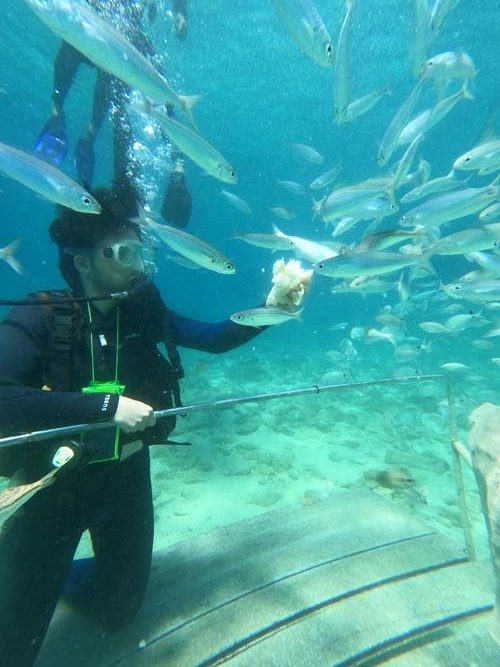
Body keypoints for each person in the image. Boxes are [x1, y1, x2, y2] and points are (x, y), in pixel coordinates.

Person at [0, 184, 310, 667]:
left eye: (141, 253)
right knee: (14, 645)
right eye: (123, 253)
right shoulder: (41, 315)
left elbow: (212, 338)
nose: (138, 266)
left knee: (118, 608)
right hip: (52, 485)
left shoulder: (142, 311)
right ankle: (26, 576)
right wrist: (106, 407)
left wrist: (271, 309)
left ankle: (51, 577)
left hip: (125, 479)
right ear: (83, 262)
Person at [35, 0, 192, 228]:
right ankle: (61, 113)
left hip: (125, 33)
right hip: (91, 20)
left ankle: (89, 133)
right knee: (77, 53)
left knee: (135, 89)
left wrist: (180, 13)